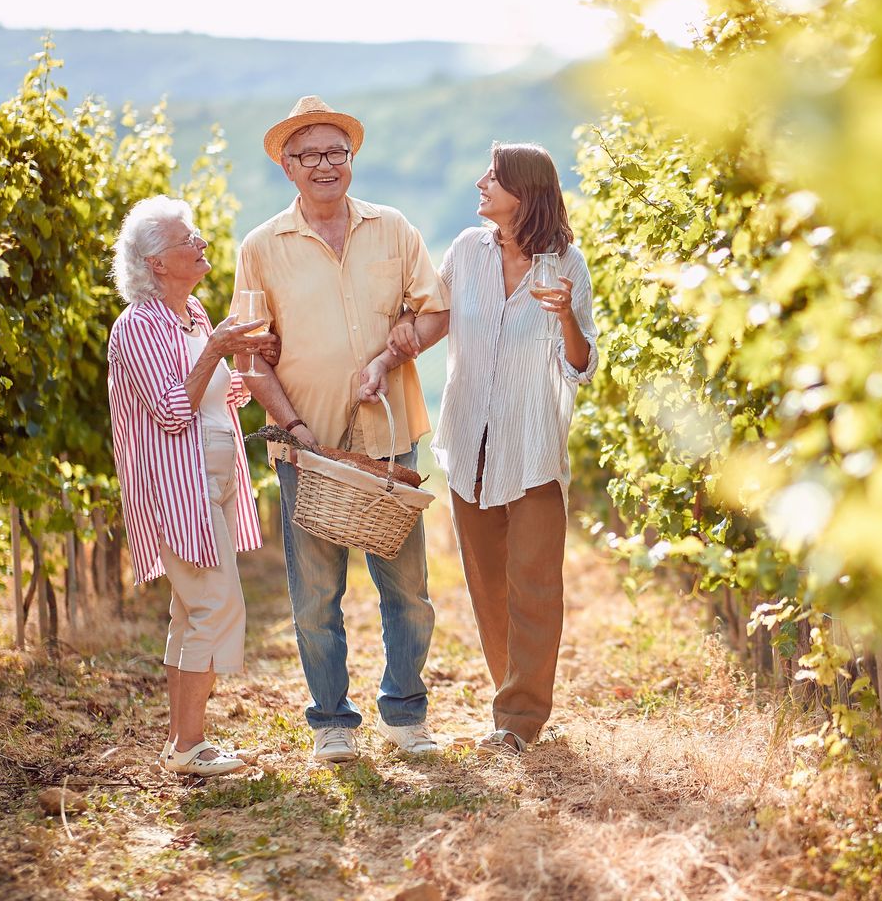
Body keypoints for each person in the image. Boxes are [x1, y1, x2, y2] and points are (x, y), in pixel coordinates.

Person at [233, 96, 449, 763]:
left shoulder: (394, 228)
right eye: (310, 155)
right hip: (308, 449)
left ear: (350, 160)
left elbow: (434, 313)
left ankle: (405, 714)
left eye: (336, 152)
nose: (325, 164)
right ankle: (331, 722)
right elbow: (250, 353)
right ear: (287, 167)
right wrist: (292, 428)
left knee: (406, 589)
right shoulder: (262, 248)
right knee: (314, 596)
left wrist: (390, 356)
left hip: (387, 443)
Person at [372, 142, 598, 757]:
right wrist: (395, 347)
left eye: (492, 177)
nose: (479, 183)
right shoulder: (466, 252)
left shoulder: (565, 264)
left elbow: (582, 366)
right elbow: (436, 319)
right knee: (489, 588)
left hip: (533, 449)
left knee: (534, 585)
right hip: (469, 441)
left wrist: (565, 319)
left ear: (523, 191)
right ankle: (509, 703)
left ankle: (520, 720)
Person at [107, 195, 277, 776]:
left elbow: (218, 397)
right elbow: (173, 409)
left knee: (191, 610)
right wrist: (218, 350)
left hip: (216, 475)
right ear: (157, 262)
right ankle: (191, 744)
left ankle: (183, 745)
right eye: (189, 239)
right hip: (178, 483)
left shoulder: (196, 314)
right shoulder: (137, 325)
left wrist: (246, 360)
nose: (201, 243)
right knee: (215, 604)